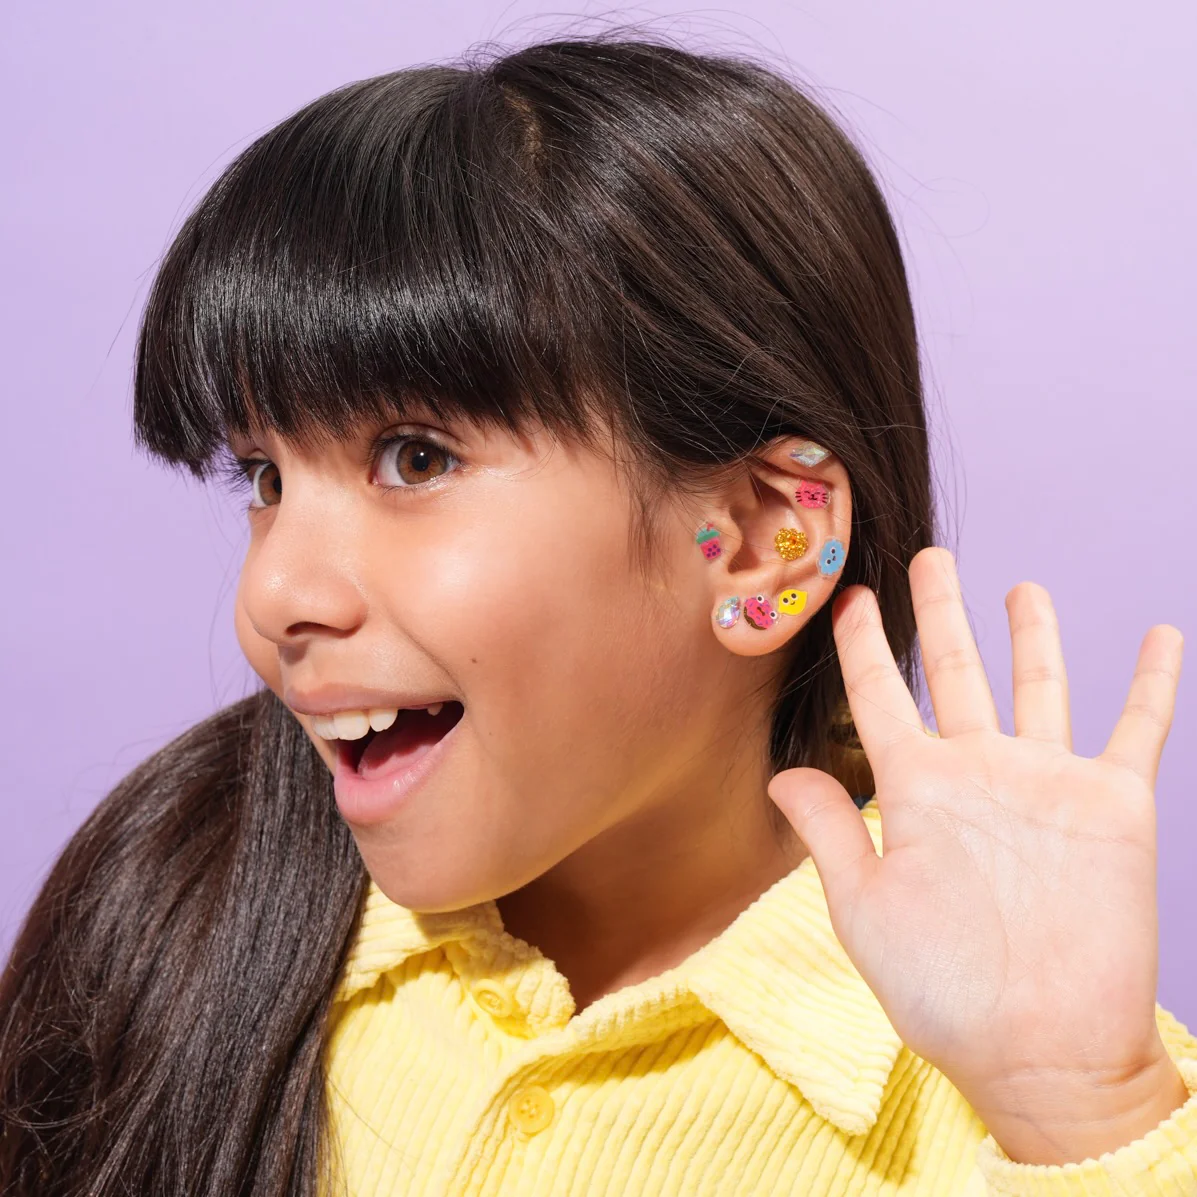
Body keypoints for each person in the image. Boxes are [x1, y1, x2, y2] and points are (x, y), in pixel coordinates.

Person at [2, 30, 1194, 1197]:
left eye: (416, 459)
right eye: (264, 479)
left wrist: (1077, 1115)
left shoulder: (1051, 1087)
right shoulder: (176, 892)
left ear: (759, 544)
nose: (273, 596)